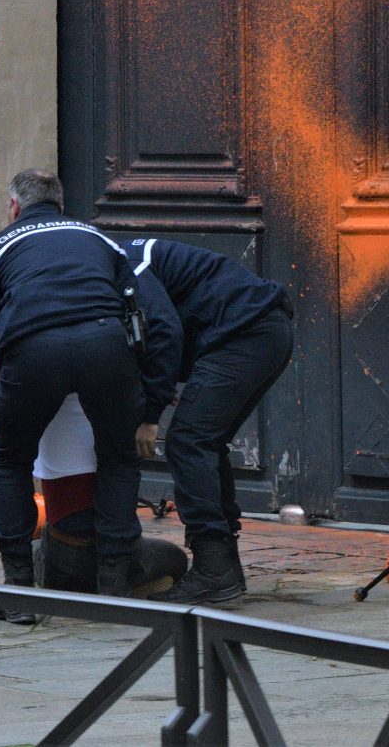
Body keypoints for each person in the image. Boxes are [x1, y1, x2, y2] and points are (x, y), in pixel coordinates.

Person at [0, 169, 180, 611]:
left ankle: (18, 593)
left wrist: (8, 394)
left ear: (14, 207)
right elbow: (133, 303)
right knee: (118, 458)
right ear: (61, 206)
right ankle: (115, 587)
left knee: (10, 459)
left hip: (33, 351)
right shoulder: (99, 238)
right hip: (105, 345)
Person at [124, 237, 294, 603]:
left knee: (188, 442)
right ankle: (226, 569)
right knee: (204, 444)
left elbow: (165, 329)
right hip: (258, 329)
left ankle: (213, 571)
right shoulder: (120, 261)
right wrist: (158, 379)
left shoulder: (123, 262)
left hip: (246, 333)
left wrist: (151, 413)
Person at [0, 357, 186, 599]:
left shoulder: (34, 376)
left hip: (63, 552)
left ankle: (28, 584)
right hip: (117, 551)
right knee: (174, 558)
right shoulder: (116, 371)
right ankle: (115, 585)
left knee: (37, 544)